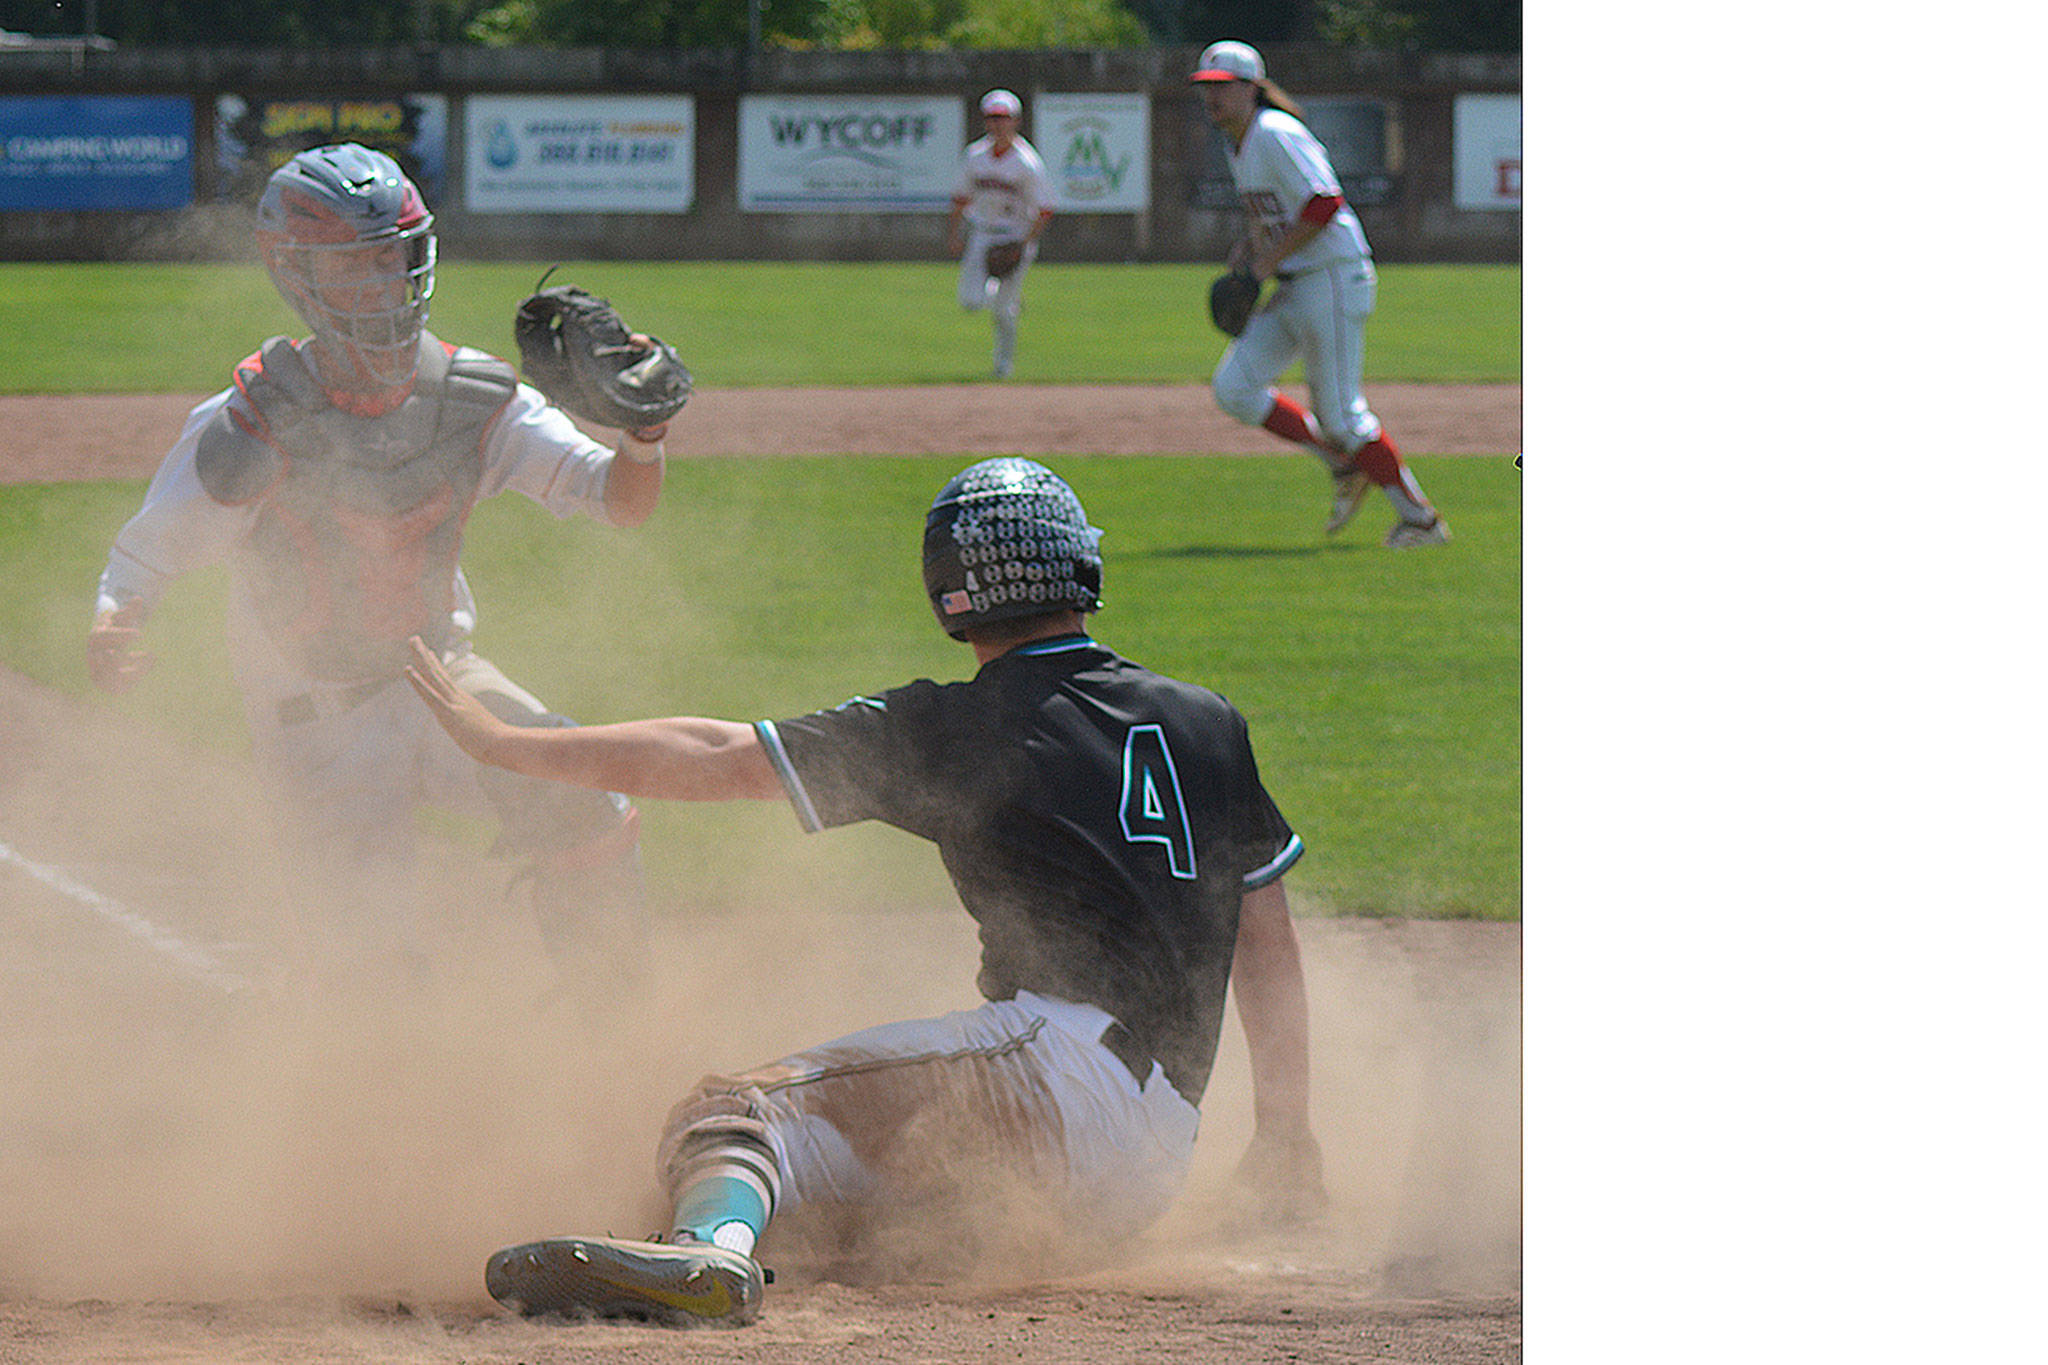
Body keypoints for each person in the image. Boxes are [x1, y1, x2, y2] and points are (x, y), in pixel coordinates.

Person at [403, 457, 1326, 1326]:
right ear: (1081, 564)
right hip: (1156, 1153)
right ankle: (746, 1233)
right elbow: (1268, 943)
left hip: (1055, 1081)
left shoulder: (962, 724)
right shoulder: (1205, 720)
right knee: (822, 1192)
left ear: (950, 591)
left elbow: (718, 754)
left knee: (731, 1109)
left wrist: (504, 744)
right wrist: (1284, 1133)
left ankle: (705, 1249)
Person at [86, 142, 668, 990]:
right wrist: (117, 619)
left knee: (581, 794)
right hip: (311, 718)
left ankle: (617, 1037)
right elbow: (150, 548)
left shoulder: (471, 394)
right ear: (297, 274)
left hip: (440, 678)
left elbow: (617, 501)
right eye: (355, 262)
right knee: (374, 971)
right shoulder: (255, 415)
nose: (384, 278)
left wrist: (643, 435)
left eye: (393, 255)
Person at [1191, 40, 1450, 546]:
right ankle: (1341, 464)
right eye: (1206, 89)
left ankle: (1421, 521)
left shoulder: (1274, 132)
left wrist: (1265, 262)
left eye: (1222, 88)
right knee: (1235, 387)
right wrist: (1250, 247)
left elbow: (1325, 202)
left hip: (1332, 275)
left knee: (1341, 414)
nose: (1212, 99)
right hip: (1297, 281)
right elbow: (1271, 210)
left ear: (1252, 88)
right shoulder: (1238, 141)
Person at [946, 89, 1055, 379]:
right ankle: (996, 292)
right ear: (985, 122)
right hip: (981, 233)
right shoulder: (974, 156)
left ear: (1015, 121)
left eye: (1003, 118)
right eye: (992, 118)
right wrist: (955, 234)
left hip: (1016, 235)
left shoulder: (1027, 162)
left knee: (1004, 312)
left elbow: (1045, 209)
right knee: (970, 302)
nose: (998, 125)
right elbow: (959, 198)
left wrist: (1025, 245)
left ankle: (1003, 366)